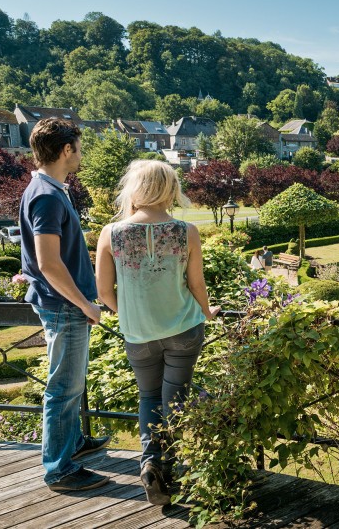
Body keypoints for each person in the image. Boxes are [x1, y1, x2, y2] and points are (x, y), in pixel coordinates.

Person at [95, 160, 220, 505]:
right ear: (170, 189)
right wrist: (209, 313)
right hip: (183, 328)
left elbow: (104, 291)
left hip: (138, 334)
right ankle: (171, 466)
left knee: (149, 397)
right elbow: (196, 285)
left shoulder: (112, 232)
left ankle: (151, 463)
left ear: (135, 188)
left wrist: (130, 314)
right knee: (175, 396)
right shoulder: (186, 231)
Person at [19, 118, 111, 492]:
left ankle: (72, 442)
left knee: (72, 383)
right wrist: (85, 305)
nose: (81, 155)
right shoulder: (46, 195)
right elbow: (48, 263)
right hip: (64, 305)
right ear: (66, 150)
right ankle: (59, 469)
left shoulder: (48, 188)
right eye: (78, 148)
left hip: (62, 302)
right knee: (63, 387)